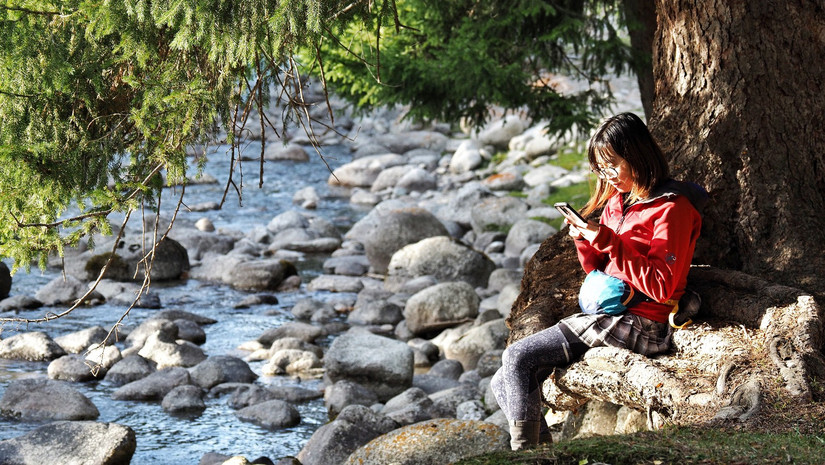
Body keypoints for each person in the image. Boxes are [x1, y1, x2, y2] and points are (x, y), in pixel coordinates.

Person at [490, 112, 707, 450]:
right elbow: (597, 269)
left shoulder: (672, 208)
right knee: (501, 380)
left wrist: (608, 241)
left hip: (643, 320)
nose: (606, 176)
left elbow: (662, 284)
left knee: (517, 357)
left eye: (612, 165)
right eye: (599, 169)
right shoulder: (618, 203)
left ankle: (526, 456)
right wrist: (584, 241)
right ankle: (541, 452)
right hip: (606, 313)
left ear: (636, 156)